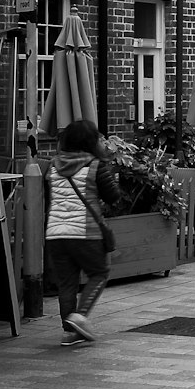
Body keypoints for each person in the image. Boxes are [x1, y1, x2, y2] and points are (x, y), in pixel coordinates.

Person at [43, 119, 123, 347]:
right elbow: (113, 197)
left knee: (66, 284)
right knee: (99, 273)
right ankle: (80, 316)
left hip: (56, 233)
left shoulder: (52, 166)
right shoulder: (95, 166)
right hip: (86, 232)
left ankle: (70, 333)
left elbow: (50, 199)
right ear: (89, 142)